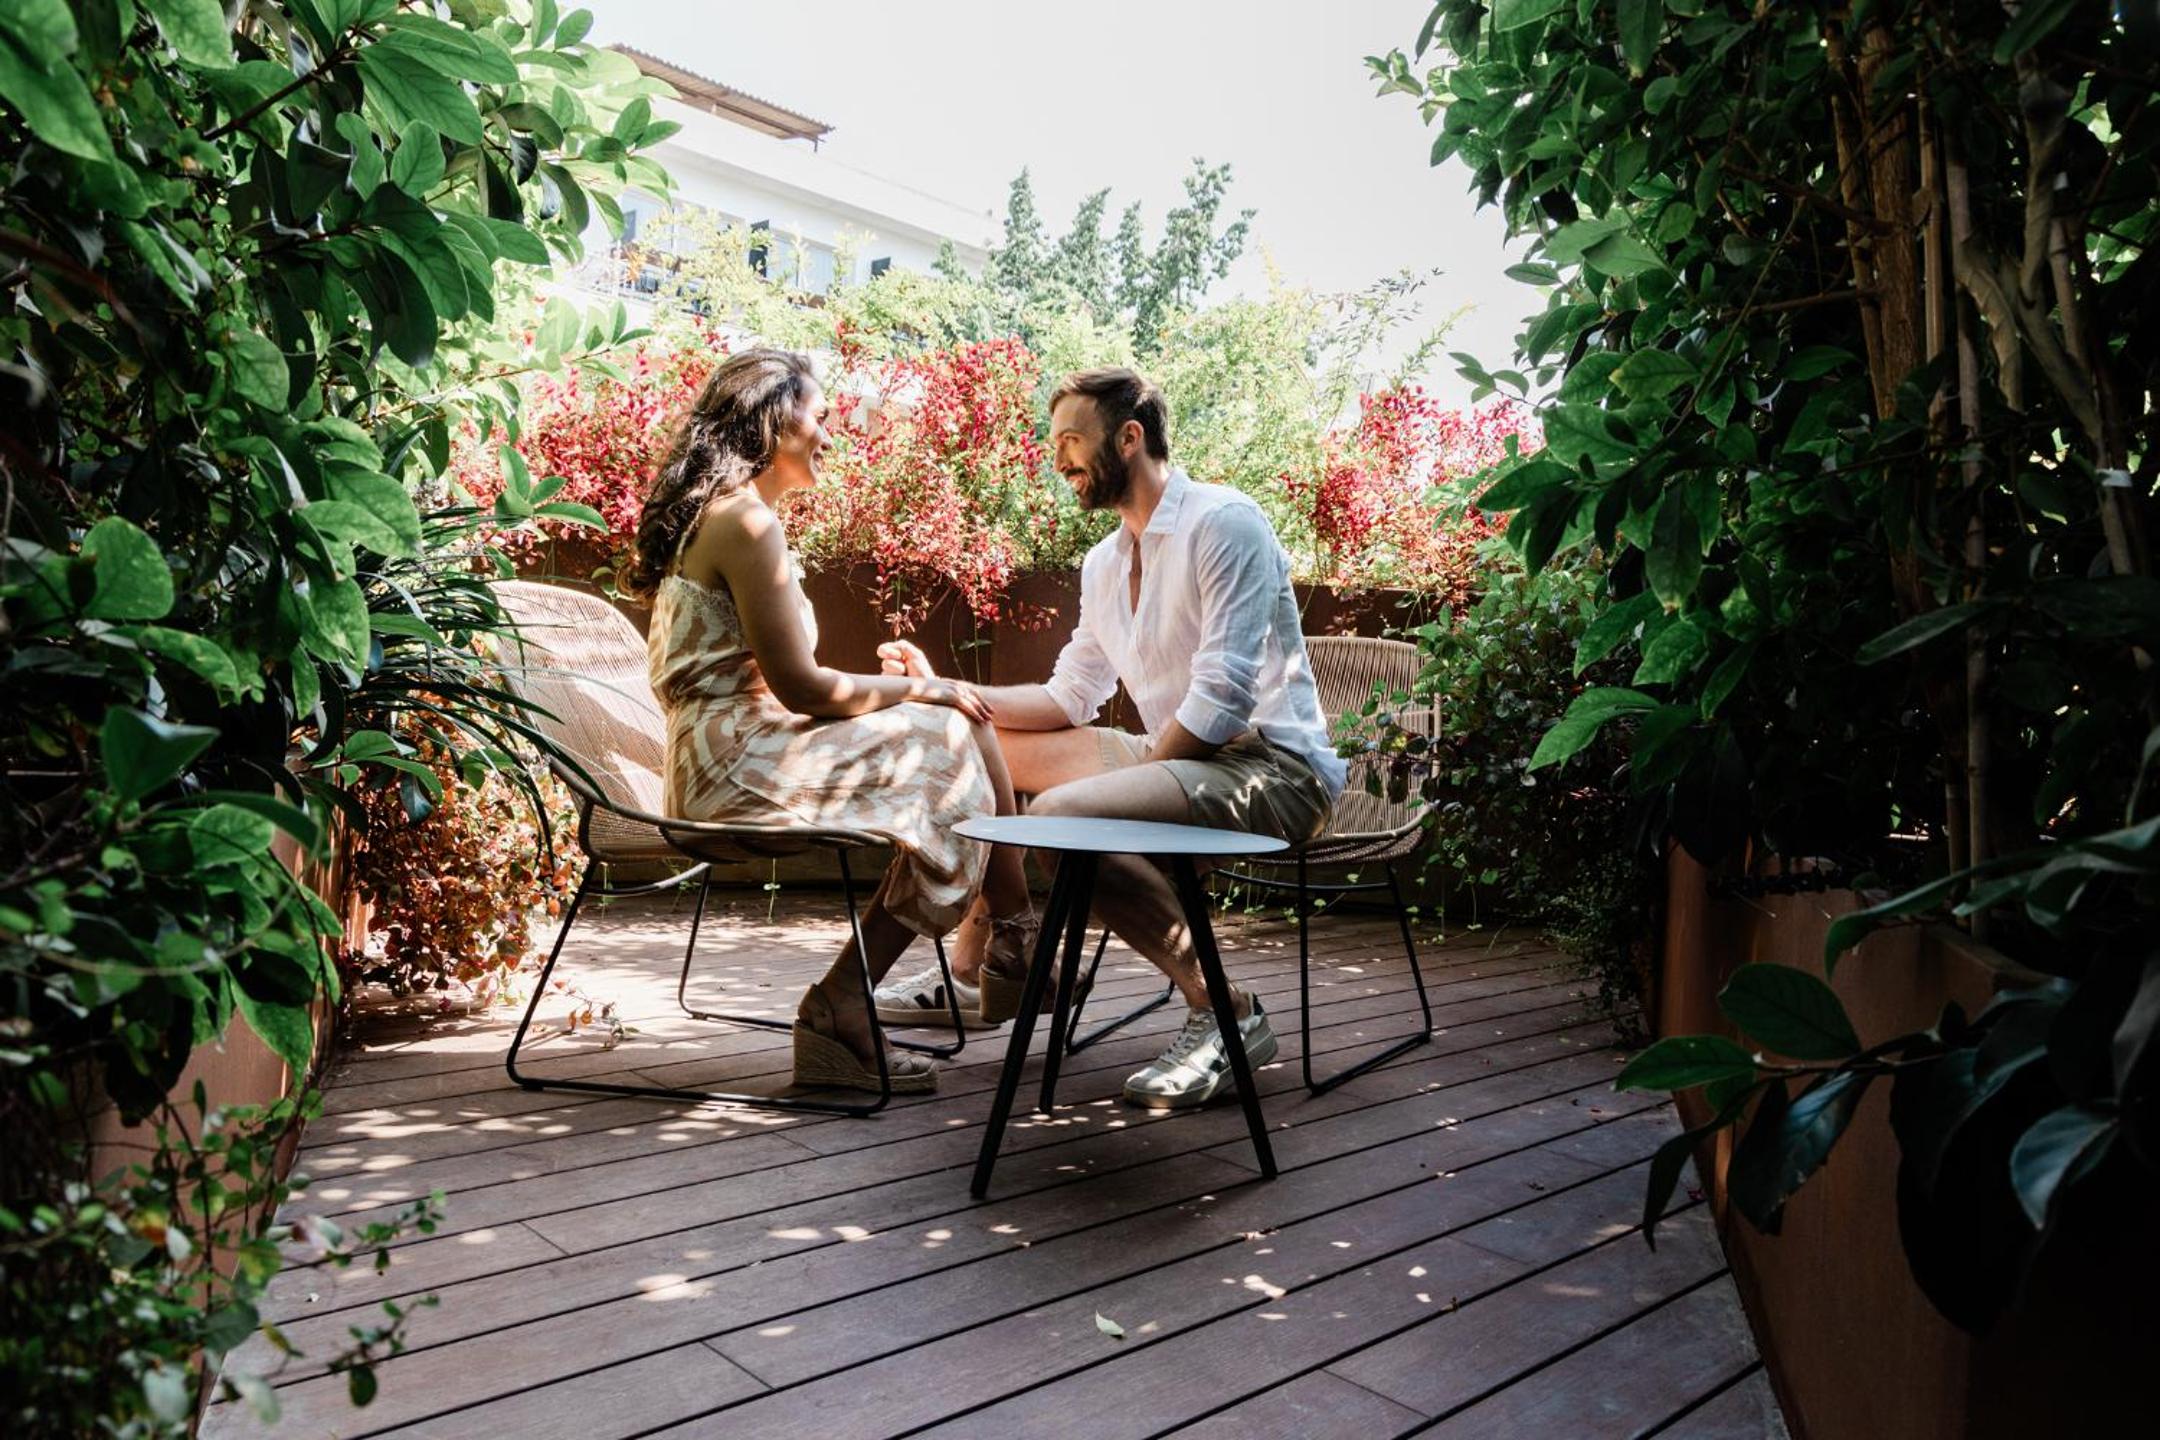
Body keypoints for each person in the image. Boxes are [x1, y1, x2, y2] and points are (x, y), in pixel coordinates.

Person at [873, 367, 1346, 1109]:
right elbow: (1068, 697)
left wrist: (1125, 792)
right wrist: (946, 691)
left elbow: (1222, 699)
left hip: (1273, 771)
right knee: (970, 743)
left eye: (1071, 440)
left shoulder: (1225, 523)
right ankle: (987, 964)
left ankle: (1226, 1012)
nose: (1057, 458)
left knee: (1064, 819)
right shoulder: (1104, 563)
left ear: (1129, 438)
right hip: (1177, 757)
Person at [621, 348, 1036, 1095]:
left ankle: (1007, 940)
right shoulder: (746, 522)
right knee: (947, 738)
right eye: (820, 417)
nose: (830, 435)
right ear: (773, 422)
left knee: (956, 725)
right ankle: (990, 949)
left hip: (727, 752)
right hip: (733, 769)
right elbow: (803, 687)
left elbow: (779, 685)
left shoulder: (723, 517)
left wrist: (916, 694)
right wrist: (918, 691)